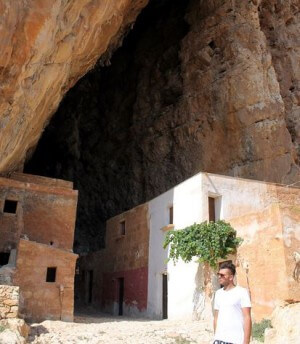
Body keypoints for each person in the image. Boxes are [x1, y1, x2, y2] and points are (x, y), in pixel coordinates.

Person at [213, 262, 252, 344]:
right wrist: (216, 337)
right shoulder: (218, 293)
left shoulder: (242, 292)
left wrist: (246, 342)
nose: (219, 277)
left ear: (231, 277)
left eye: (222, 275)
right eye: (219, 274)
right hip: (219, 340)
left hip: (235, 340)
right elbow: (216, 317)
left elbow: (247, 317)